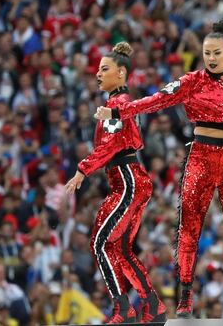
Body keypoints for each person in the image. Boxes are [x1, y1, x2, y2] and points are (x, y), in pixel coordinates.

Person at [94, 22, 223, 319]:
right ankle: (184, 297)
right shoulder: (192, 81)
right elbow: (156, 101)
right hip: (202, 156)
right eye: (206, 53)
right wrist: (119, 111)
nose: (211, 58)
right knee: (188, 227)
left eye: (217, 53)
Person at [64, 42, 166, 324]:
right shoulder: (119, 104)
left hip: (127, 181)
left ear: (121, 73)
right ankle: (152, 305)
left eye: (104, 69)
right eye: (97, 69)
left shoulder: (116, 105)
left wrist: (82, 170)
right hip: (130, 179)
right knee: (119, 248)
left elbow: (109, 146)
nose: (98, 74)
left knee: (100, 243)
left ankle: (124, 309)